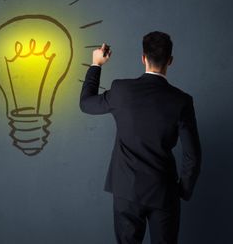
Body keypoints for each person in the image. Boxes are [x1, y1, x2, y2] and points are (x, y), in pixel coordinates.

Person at [79, 31, 201, 244]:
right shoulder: (182, 101)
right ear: (170, 61)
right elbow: (193, 154)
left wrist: (96, 64)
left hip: (126, 190)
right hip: (164, 192)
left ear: (143, 58)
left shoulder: (121, 90)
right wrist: (183, 190)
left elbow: (86, 103)